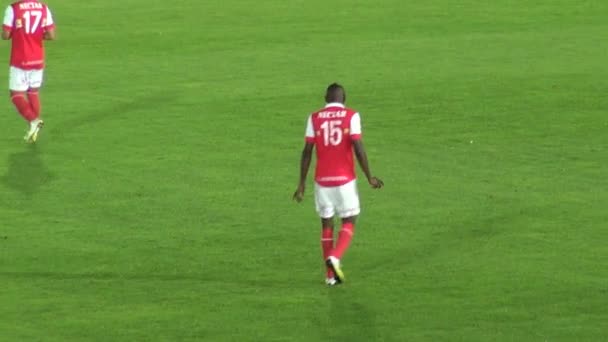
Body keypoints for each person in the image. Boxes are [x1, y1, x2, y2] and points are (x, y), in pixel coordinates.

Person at [294, 83, 383, 286]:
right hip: (344, 181)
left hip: (321, 181)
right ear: (344, 99)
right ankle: (335, 257)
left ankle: (330, 276)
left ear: (325, 98)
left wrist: (301, 184)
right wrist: (370, 176)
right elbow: (358, 147)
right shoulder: (351, 116)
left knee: (326, 223)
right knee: (349, 220)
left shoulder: (314, 117)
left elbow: (307, 151)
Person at [2, 0, 56, 143]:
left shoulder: (13, 8)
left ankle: (33, 121)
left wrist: (18, 33)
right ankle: (33, 128)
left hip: (21, 59)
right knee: (33, 92)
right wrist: (37, 37)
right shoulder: (44, 8)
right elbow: (51, 35)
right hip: (38, 58)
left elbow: (5, 35)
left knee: (16, 95)